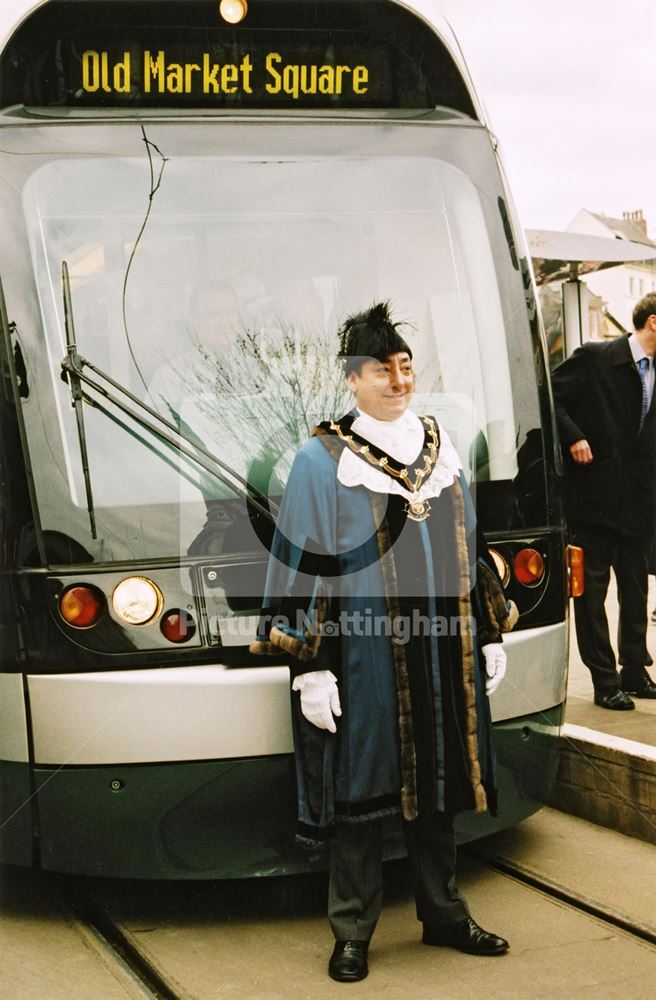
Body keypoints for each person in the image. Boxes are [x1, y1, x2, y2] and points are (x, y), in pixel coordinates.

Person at [250, 302, 517, 982]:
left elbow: (471, 544)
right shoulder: (321, 460)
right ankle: (352, 931)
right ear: (353, 380)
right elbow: (300, 562)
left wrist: (486, 631)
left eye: (404, 369)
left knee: (441, 782)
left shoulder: (439, 444)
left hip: (443, 647)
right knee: (361, 796)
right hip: (363, 655)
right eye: (381, 371)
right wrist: (309, 668)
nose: (397, 382)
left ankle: (444, 914)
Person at [551, 292, 656, 709]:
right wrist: (573, 435)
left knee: (635, 590)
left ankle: (634, 670)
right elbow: (550, 395)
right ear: (653, 322)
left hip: (639, 503)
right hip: (593, 500)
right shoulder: (595, 357)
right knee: (591, 596)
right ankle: (604, 680)